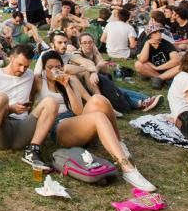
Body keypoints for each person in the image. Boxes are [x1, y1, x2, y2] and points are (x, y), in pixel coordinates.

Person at [35, 51, 158, 190]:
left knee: (99, 99)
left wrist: (67, 86)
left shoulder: (70, 80)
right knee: (98, 116)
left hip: (76, 122)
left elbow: (78, 112)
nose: (54, 70)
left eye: (58, 67)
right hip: (60, 127)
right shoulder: (39, 81)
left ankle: (118, 142)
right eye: (50, 67)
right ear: (43, 68)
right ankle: (127, 168)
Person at [0, 45, 60, 174]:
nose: (22, 70)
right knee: (1, 97)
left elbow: (32, 98)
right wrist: (11, 109)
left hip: (22, 129)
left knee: (51, 102)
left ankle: (32, 151)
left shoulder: (30, 75)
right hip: (0, 129)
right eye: (19, 64)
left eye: (26, 66)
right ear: (11, 58)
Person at [134, 24, 181, 88]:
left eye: (160, 31)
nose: (159, 33)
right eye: (155, 32)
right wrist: (147, 43)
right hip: (152, 70)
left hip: (167, 69)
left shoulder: (165, 43)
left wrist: (158, 68)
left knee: (182, 65)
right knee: (138, 64)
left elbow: (176, 60)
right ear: (150, 35)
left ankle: (159, 79)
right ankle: (164, 79)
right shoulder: (145, 44)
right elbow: (142, 60)